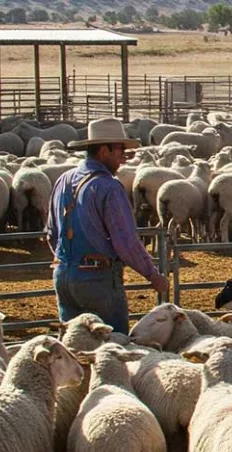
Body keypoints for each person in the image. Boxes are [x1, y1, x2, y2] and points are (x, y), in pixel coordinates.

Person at [47, 117, 168, 334]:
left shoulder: (63, 180)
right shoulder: (108, 187)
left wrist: (70, 261)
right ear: (104, 151)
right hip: (97, 281)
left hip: (63, 276)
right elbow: (126, 241)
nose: (123, 158)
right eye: (119, 150)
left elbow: (51, 233)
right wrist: (152, 274)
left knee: (74, 344)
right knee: (113, 344)